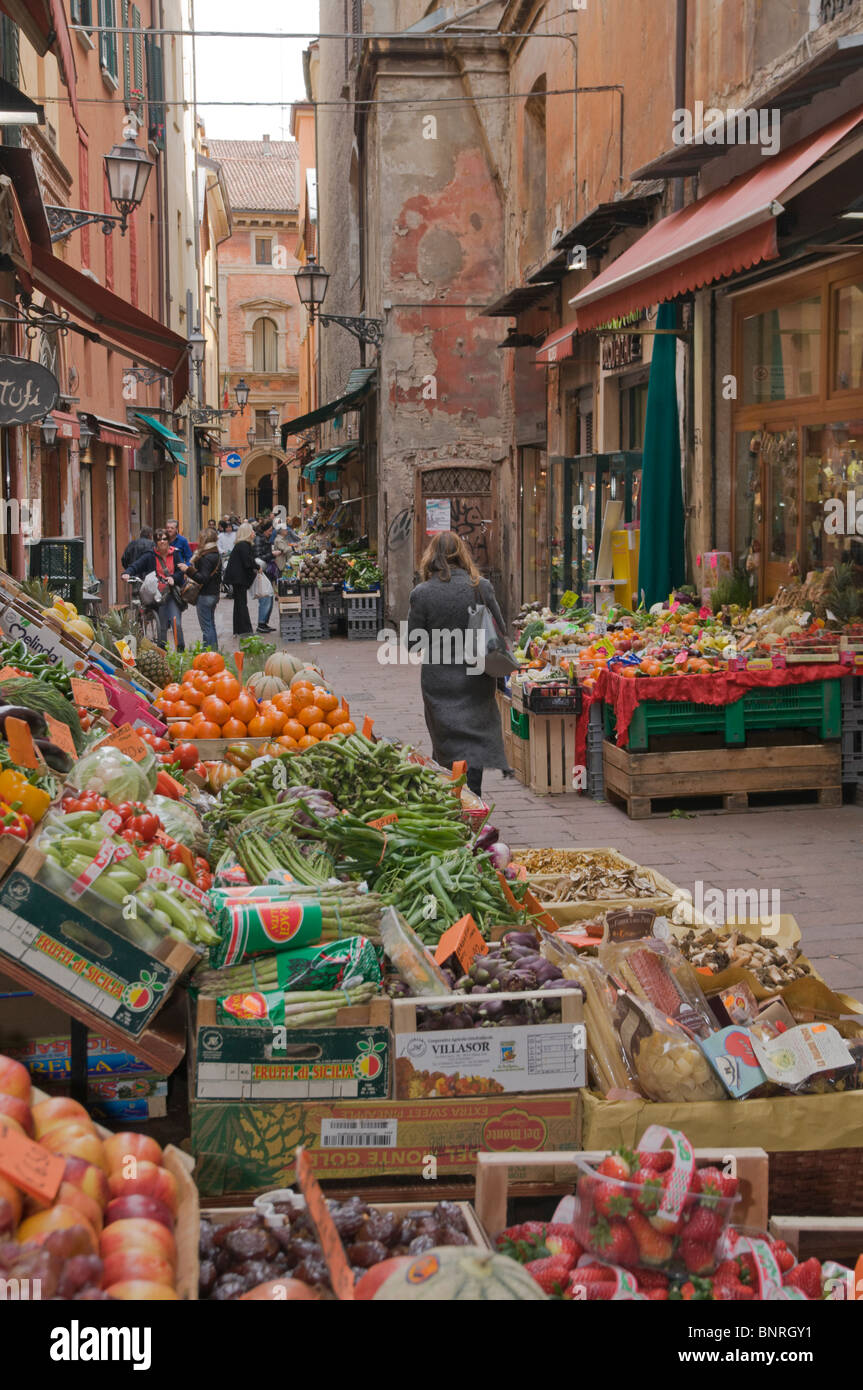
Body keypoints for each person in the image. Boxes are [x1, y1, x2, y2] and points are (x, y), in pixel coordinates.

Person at [407, 531, 511, 799]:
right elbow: (500, 629)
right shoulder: (481, 587)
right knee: (474, 735)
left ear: (432, 557)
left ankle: (450, 792)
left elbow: (413, 644)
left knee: (446, 737)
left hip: (438, 680)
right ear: (461, 554)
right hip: (477, 677)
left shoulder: (422, 593)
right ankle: (472, 793)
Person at [122, 528, 187, 651]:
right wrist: (127, 573)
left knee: (176, 622)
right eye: (159, 539)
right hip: (157, 594)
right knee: (162, 625)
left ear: (168, 540)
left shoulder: (176, 554)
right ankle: (162, 651)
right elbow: (136, 565)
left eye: (164, 539)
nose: (162, 541)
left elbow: (180, 572)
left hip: (171, 593)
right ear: (155, 541)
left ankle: (180, 650)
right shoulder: (150, 555)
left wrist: (173, 578)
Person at [184, 527, 222, 649]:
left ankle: (209, 653)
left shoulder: (206, 557)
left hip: (205, 594)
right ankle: (213, 651)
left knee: (206, 627)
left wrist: (188, 570)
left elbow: (203, 578)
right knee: (211, 624)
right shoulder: (215, 553)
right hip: (214, 593)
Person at [224, 521, 257, 636]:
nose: (254, 533)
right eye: (252, 531)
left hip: (237, 578)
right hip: (239, 578)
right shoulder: (243, 545)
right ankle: (245, 629)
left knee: (239, 603)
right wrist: (257, 567)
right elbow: (248, 562)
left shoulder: (241, 545)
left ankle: (239, 628)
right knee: (242, 603)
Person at [253, 518, 277, 632]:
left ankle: (264, 622)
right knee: (265, 597)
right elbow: (258, 557)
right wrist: (271, 554)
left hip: (266, 571)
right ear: (265, 530)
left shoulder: (264, 538)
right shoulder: (259, 539)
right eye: (270, 530)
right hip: (261, 572)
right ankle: (261, 624)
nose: (271, 532)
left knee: (269, 596)